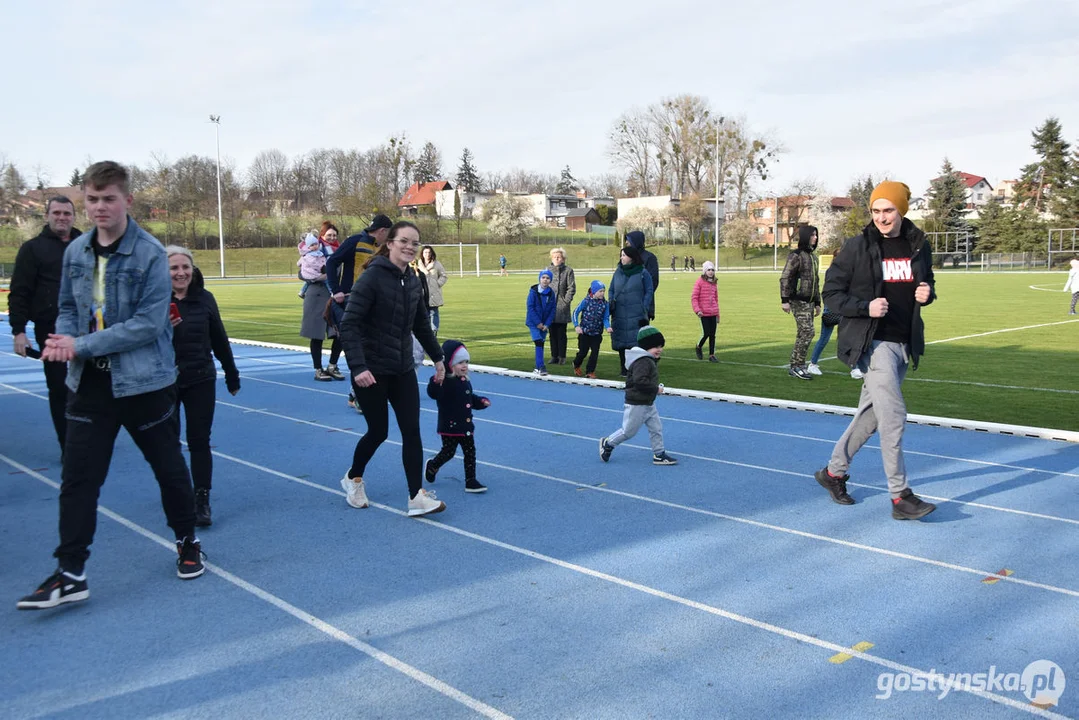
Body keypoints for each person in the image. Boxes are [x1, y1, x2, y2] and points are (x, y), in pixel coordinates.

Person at [17, 161, 204, 611]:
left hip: (144, 383)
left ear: (127, 201)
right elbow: (65, 305)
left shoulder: (150, 255)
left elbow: (146, 325)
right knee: (78, 479)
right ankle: (71, 572)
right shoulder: (77, 251)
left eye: (109, 199)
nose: (99, 207)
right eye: (93, 199)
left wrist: (79, 343)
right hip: (90, 385)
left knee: (168, 468)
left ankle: (186, 539)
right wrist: (63, 338)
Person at [814, 180, 937, 521]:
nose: (882, 218)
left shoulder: (918, 245)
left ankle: (833, 473)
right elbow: (832, 294)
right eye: (876, 211)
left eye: (889, 210)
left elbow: (927, 283)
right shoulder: (858, 246)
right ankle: (900, 497)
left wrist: (928, 293)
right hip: (872, 343)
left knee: (870, 418)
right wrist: (865, 307)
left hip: (903, 342)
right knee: (893, 416)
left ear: (902, 210)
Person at [337, 221, 447, 517]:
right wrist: (358, 367)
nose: (410, 247)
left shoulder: (412, 279)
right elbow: (349, 324)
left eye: (415, 243)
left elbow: (421, 323)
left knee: (412, 431)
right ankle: (353, 477)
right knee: (378, 432)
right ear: (390, 243)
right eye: (404, 241)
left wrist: (439, 358)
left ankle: (416, 497)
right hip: (371, 371)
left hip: (402, 368)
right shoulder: (371, 278)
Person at [166, 246, 240, 527]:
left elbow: (219, 338)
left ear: (193, 269)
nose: (181, 273)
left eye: (185, 267)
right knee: (167, 443)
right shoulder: (153, 301)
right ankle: (176, 493)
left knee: (199, 441)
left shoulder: (205, 299)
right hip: (164, 381)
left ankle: (202, 500)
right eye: (174, 268)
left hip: (200, 377)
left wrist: (231, 373)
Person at [8, 195, 81, 454]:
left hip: (88, 328)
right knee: (60, 388)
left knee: (92, 386)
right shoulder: (32, 249)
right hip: (51, 328)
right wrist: (18, 330)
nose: (62, 218)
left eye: (67, 213)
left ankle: (91, 438)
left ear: (74, 216)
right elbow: (20, 292)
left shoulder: (88, 245)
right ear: (48, 216)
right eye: (57, 213)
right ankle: (69, 446)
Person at [327, 215, 392, 404]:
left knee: (373, 348)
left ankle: (359, 394)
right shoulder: (354, 241)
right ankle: (357, 395)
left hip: (375, 304)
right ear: (382, 231)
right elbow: (332, 262)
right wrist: (336, 290)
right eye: (387, 234)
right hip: (352, 302)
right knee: (361, 348)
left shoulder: (382, 248)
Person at [599, 326, 677, 466]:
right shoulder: (643, 361)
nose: (659, 349)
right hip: (637, 402)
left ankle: (659, 454)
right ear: (646, 347)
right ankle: (608, 443)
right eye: (655, 347)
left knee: (656, 428)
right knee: (628, 431)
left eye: (660, 346)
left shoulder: (648, 359)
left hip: (648, 402)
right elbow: (640, 381)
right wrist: (656, 389)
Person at [424, 339, 491, 493]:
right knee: (448, 452)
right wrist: (436, 381)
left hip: (466, 426)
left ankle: (470, 480)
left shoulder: (464, 381)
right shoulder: (444, 381)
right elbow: (433, 393)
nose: (465, 366)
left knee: (470, 452)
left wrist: (481, 402)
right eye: (460, 362)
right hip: (450, 425)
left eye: (466, 362)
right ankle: (433, 465)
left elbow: (469, 399)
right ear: (450, 364)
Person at [298, 223, 344, 383]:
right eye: (328, 235)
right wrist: (318, 277)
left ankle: (332, 365)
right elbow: (301, 273)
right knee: (316, 334)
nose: (332, 238)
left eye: (334, 235)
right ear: (322, 236)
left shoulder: (340, 250)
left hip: (335, 296)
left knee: (340, 332)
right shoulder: (313, 250)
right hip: (316, 294)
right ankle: (318, 369)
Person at [780, 225, 822, 380]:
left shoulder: (814, 257)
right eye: (812, 235)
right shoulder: (796, 255)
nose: (815, 237)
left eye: (816, 235)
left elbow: (815, 281)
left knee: (803, 333)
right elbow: (786, 277)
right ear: (805, 236)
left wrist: (817, 302)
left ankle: (798, 365)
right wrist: (785, 300)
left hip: (810, 302)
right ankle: (796, 365)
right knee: (808, 332)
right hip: (798, 300)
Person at [608, 245, 654, 377]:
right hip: (619, 312)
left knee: (634, 342)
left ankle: (635, 369)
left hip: (636, 313)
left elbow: (649, 290)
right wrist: (611, 300)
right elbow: (611, 289)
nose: (621, 258)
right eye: (621, 255)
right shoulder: (618, 272)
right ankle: (623, 368)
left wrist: (644, 306)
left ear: (632, 257)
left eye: (624, 255)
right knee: (621, 341)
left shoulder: (643, 273)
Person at [571, 280, 612, 378]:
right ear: (594, 292)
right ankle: (576, 364)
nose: (602, 293)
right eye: (600, 291)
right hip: (584, 333)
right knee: (582, 353)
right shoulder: (586, 301)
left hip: (597, 334)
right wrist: (577, 326)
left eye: (603, 291)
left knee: (595, 353)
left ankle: (590, 371)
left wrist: (608, 327)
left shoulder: (605, 304)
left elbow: (605, 318)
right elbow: (575, 312)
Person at [547, 247, 577, 365]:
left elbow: (571, 288)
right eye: (554, 256)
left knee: (561, 333)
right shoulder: (548, 270)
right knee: (552, 333)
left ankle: (562, 357)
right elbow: (543, 285)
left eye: (558, 257)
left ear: (563, 259)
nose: (556, 258)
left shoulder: (568, 271)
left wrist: (565, 301)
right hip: (549, 306)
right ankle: (554, 356)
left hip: (562, 306)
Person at [526, 269, 557, 375]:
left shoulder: (551, 293)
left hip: (544, 323)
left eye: (548, 278)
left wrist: (547, 324)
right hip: (534, 323)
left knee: (541, 344)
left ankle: (537, 367)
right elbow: (530, 308)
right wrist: (537, 322)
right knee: (538, 341)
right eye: (543, 278)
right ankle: (542, 366)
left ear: (550, 280)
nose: (545, 280)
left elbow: (553, 309)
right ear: (539, 279)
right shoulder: (533, 292)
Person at [624, 231, 659, 318]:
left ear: (635, 241)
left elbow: (653, 281)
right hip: (626, 305)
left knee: (641, 331)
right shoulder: (626, 258)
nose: (626, 242)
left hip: (642, 305)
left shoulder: (649, 258)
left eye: (628, 240)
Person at [691, 260, 720, 362]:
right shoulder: (699, 282)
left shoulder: (714, 283)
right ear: (704, 271)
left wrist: (718, 314)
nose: (711, 272)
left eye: (712, 270)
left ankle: (712, 355)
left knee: (713, 335)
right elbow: (694, 297)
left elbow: (716, 299)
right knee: (706, 333)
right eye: (709, 270)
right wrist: (697, 310)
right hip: (703, 313)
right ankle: (699, 346)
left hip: (713, 313)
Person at [417, 245, 448, 333]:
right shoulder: (417, 264)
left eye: (429, 252)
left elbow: (444, 276)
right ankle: (424, 332)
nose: (427, 254)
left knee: (433, 313)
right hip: (422, 293)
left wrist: (438, 284)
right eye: (425, 252)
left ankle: (434, 332)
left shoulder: (437, 264)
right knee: (423, 314)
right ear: (422, 254)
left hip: (433, 293)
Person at [297, 232, 331, 299]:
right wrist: (322, 268)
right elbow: (315, 264)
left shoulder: (307, 254)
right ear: (308, 247)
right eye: (312, 245)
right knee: (326, 279)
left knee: (308, 282)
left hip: (308, 274)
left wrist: (301, 265)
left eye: (316, 244)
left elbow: (299, 263)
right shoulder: (311, 255)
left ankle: (302, 292)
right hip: (313, 273)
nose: (315, 246)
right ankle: (331, 292)